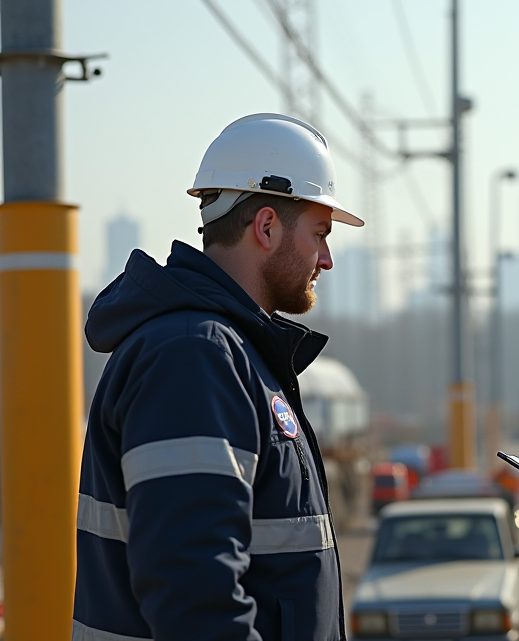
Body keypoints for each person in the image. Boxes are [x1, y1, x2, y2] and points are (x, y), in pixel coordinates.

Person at [74, 113, 363, 640]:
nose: (326, 258)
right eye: (320, 233)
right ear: (267, 227)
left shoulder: (226, 354)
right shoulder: (195, 357)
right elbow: (195, 599)